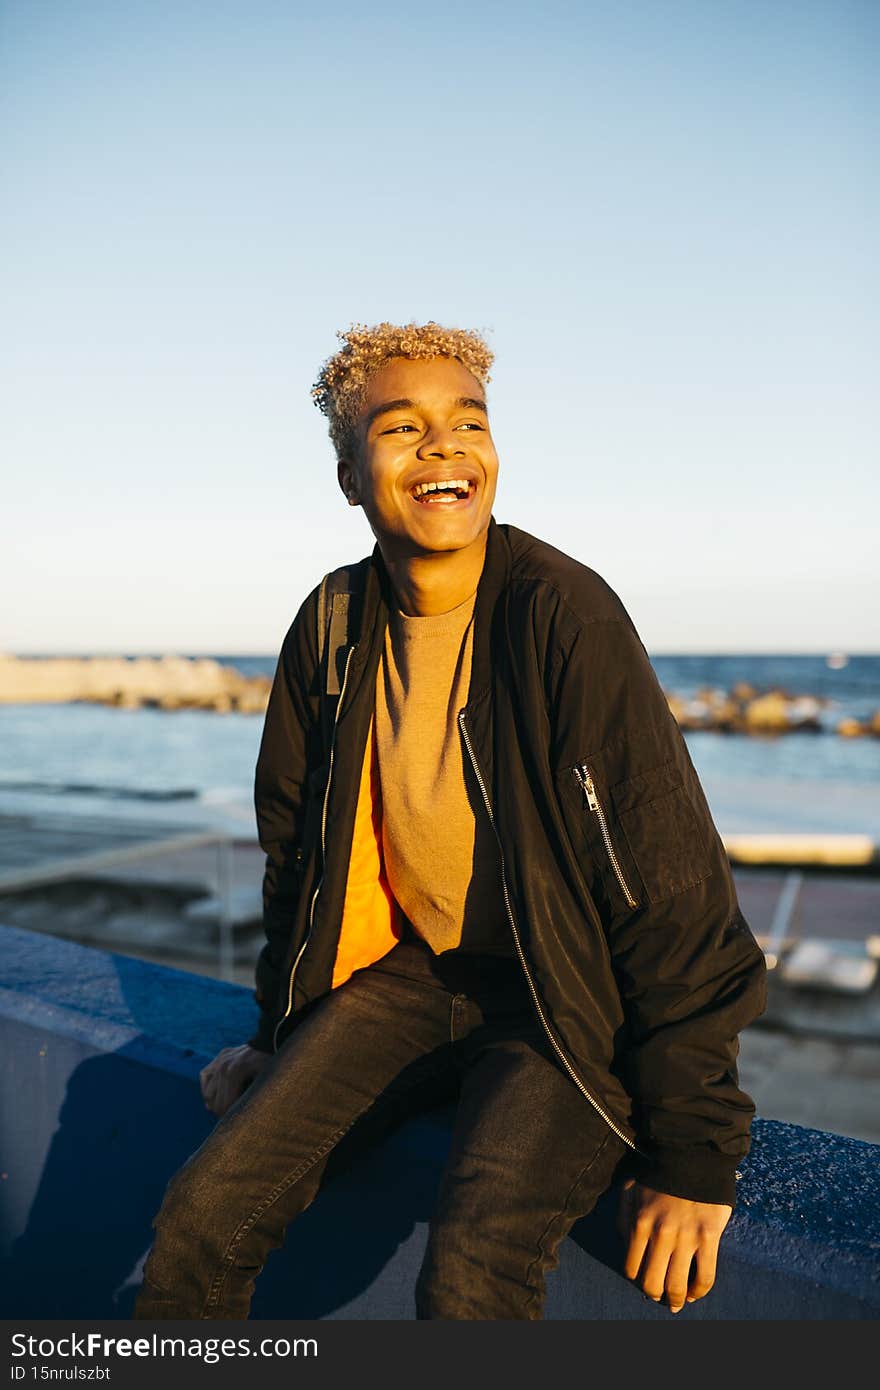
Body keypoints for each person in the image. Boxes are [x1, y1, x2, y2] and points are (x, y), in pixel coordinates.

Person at [133, 320, 767, 1321]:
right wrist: (277, 1034)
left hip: (564, 1001)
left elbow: (668, 883)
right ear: (350, 477)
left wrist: (696, 1151)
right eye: (402, 428)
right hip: (416, 976)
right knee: (202, 1215)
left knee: (473, 1269)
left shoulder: (563, 615)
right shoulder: (333, 625)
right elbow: (298, 855)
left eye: (468, 422)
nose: (444, 447)